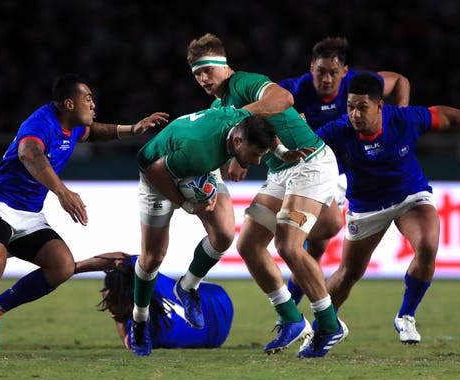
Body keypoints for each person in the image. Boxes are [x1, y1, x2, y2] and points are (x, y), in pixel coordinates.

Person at [0, 73, 169, 361]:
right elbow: (29, 154)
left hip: (29, 215)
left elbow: (94, 131)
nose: (93, 103)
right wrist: (62, 192)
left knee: (61, 266)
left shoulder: (73, 125)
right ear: (68, 104)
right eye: (87, 98)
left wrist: (131, 129)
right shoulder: (41, 123)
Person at [315, 72, 460, 344]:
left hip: (410, 197)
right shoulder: (337, 131)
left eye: (362, 107)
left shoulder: (404, 119)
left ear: (379, 105)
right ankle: (321, 326)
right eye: (350, 107)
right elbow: (307, 149)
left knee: (428, 245)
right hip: (366, 207)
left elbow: (453, 115)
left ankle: (405, 316)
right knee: (348, 274)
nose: (355, 114)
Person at [187, 33, 347, 358]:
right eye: (196, 73)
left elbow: (284, 99)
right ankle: (290, 318)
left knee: (288, 244)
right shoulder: (218, 108)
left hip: (309, 162)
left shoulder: (247, 83)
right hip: (280, 172)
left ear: (224, 66)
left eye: (207, 69)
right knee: (247, 243)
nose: (203, 77)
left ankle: (330, 325)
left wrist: (240, 115)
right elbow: (222, 146)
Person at [131, 106, 281, 356]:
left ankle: (187, 287)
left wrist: (283, 150)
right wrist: (188, 204)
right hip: (157, 175)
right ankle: (140, 320)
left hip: (196, 169)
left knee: (224, 235)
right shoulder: (200, 150)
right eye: (255, 154)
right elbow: (155, 169)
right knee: (152, 257)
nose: (256, 162)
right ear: (237, 140)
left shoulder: (244, 122)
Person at [278, 36, 411, 304]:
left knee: (314, 248)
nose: (326, 79)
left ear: (345, 72)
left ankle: (291, 311)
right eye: (320, 72)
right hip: (309, 172)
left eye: (333, 73)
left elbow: (399, 81)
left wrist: (397, 119)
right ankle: (293, 311)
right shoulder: (294, 90)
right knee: (316, 240)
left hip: (342, 173)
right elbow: (263, 110)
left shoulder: (357, 86)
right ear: (310, 68)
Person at [74, 251, 233, 349]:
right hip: (218, 296)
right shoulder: (148, 276)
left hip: (215, 336)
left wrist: (118, 317)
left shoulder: (146, 330)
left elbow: (128, 342)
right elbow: (119, 258)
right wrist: (75, 267)